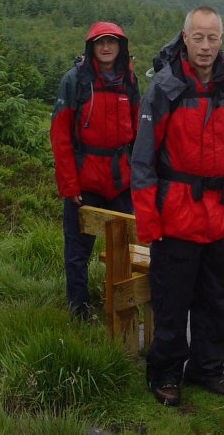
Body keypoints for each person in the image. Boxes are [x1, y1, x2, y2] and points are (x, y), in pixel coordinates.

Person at [131, 6, 224, 407]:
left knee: (214, 299)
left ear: (221, 40)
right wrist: (148, 222)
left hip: (221, 215)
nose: (205, 46)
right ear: (184, 38)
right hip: (176, 215)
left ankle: (207, 369)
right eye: (199, 37)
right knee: (172, 300)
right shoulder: (165, 88)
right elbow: (143, 160)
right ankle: (165, 372)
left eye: (213, 38)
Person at [49, 21, 141, 321]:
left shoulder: (129, 80)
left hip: (121, 178)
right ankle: (79, 308)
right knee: (78, 250)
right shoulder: (75, 80)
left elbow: (140, 131)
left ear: (120, 46)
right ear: (91, 46)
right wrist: (69, 186)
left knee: (125, 247)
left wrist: (141, 178)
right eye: (100, 42)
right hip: (85, 179)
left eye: (112, 42)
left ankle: (124, 303)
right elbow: (60, 135)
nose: (106, 47)